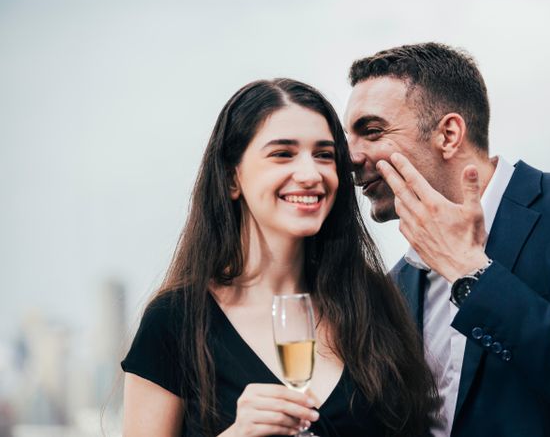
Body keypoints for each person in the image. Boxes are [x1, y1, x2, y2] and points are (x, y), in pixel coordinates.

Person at [344, 43, 550, 437]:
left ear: (448, 134)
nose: (351, 156)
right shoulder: (397, 285)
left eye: (372, 132)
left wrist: (470, 271)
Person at [121, 78, 439, 437]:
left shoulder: (377, 303)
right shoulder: (174, 321)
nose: (310, 174)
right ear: (231, 178)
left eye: (324, 155)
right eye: (282, 154)